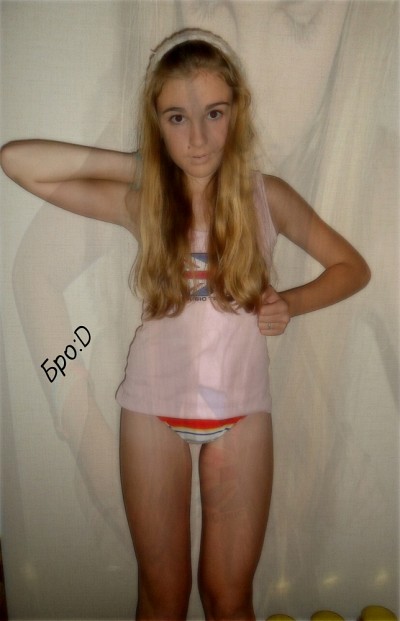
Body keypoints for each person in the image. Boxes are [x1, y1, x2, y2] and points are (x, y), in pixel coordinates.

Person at [1, 28, 370, 621]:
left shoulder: (268, 197)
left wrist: (291, 303)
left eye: (213, 113)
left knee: (229, 599)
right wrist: (136, 164)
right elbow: (17, 163)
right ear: (157, 124)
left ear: (236, 114)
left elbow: (353, 268)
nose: (197, 138)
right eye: (176, 118)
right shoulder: (143, 201)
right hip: (152, 412)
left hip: (241, 412)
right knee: (162, 598)